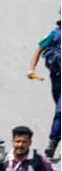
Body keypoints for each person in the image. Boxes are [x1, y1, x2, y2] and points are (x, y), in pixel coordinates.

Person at [28, 14, 62, 158]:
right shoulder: (54, 33)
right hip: (57, 77)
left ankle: (53, 141)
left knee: (61, 110)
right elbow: (40, 48)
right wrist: (31, 68)